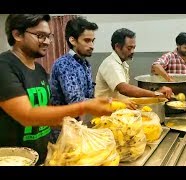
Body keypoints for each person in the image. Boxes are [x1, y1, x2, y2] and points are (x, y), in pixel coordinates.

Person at [0, 14, 113, 164]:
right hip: (15, 159)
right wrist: (85, 106)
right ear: (17, 34)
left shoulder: (39, 70)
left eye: (49, 36)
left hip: (44, 156)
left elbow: (43, 114)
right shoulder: (4, 66)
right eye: (40, 36)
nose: (47, 42)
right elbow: (26, 115)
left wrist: (69, 125)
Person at [95, 28, 173, 99]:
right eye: (129, 48)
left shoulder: (123, 64)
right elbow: (124, 89)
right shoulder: (111, 64)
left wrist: (155, 93)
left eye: (134, 48)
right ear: (117, 46)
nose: (132, 51)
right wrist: (155, 93)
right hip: (106, 111)